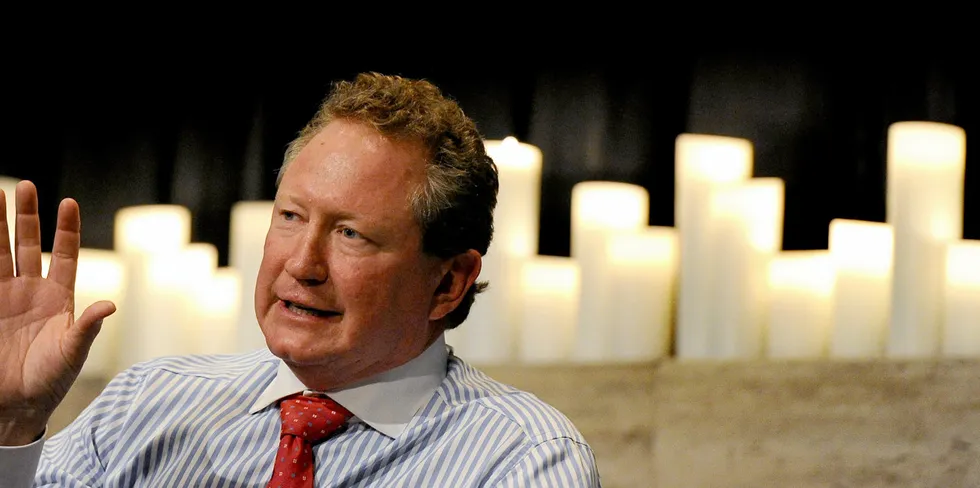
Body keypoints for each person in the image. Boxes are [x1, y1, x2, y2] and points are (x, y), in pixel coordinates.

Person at [0, 72, 601, 487]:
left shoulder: (522, 460)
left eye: (351, 235)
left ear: (449, 283)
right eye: (290, 217)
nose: (302, 264)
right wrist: (12, 425)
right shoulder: (146, 405)